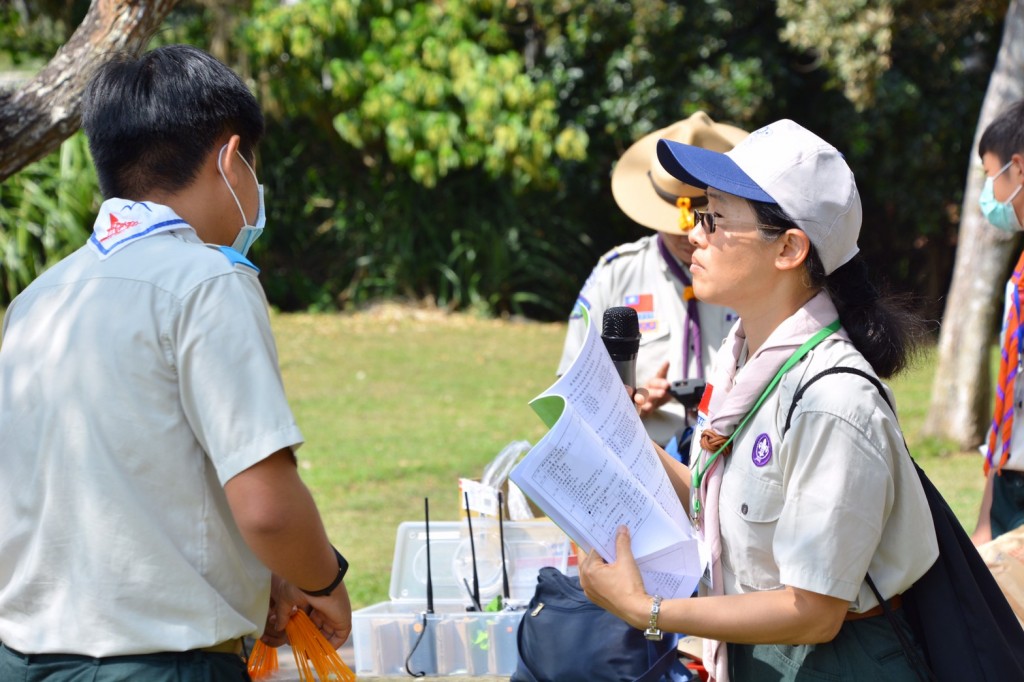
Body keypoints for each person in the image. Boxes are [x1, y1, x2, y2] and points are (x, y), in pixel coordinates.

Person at [0, 45, 351, 680]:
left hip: (25, 659)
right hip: (158, 666)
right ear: (230, 157)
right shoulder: (209, 281)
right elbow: (267, 506)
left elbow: (120, 485)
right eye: (253, 163)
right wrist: (324, 580)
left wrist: (253, 575)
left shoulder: (37, 299)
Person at [576, 119, 939, 682]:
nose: (695, 234)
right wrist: (622, 432)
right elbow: (710, 494)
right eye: (701, 215)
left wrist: (645, 611)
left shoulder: (832, 401)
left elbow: (813, 612)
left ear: (790, 247)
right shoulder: (745, 361)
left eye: (715, 218)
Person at [557, 112, 744, 458]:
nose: (690, 235)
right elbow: (569, 391)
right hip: (643, 460)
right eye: (676, 223)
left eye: (708, 218)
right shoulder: (616, 273)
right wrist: (625, 405)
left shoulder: (751, 276)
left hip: (732, 461)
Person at [972, 99, 1024, 546]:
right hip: (1012, 481)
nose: (990, 194)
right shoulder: (1022, 267)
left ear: (1019, 168)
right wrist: (989, 510)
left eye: (992, 177)